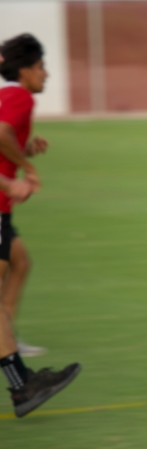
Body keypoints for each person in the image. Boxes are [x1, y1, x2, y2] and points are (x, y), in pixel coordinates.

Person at [0, 33, 81, 418]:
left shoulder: (8, 97)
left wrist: (25, 150)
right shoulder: (20, 97)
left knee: (19, 264)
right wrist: (25, 171)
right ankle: (22, 386)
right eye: (42, 67)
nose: (46, 74)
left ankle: (20, 378)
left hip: (3, 212)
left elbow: (5, 139)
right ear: (26, 70)